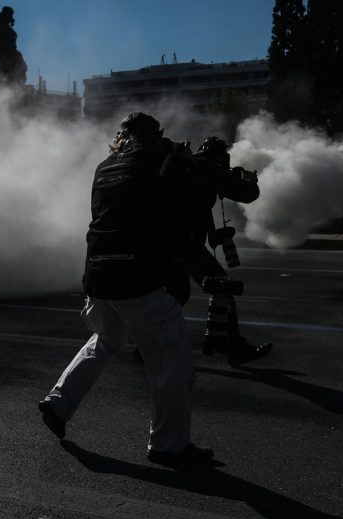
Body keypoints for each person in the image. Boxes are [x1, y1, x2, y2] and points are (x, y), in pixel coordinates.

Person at [37, 112, 213, 468]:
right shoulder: (159, 162)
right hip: (137, 277)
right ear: (154, 136)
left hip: (99, 274)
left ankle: (59, 402)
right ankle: (169, 446)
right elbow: (193, 203)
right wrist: (183, 164)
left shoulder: (104, 167)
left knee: (106, 340)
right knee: (171, 361)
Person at [176, 137, 272, 366]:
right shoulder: (211, 168)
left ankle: (145, 346)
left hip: (169, 243)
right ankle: (235, 347)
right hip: (187, 245)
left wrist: (211, 235)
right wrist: (250, 180)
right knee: (223, 287)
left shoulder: (187, 167)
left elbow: (198, 207)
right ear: (220, 155)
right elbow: (247, 194)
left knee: (175, 295)